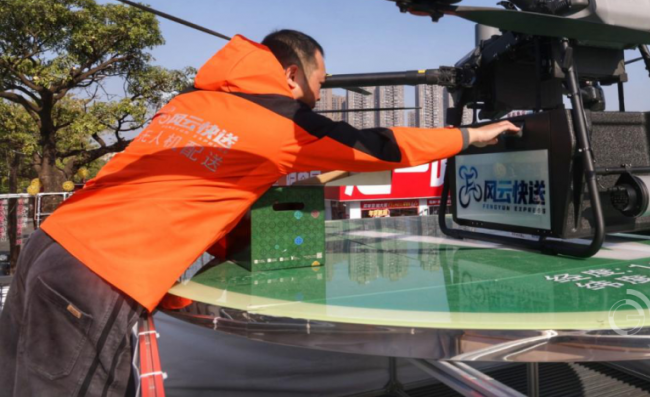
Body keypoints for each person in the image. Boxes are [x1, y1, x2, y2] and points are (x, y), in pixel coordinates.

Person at [0, 30, 518, 396]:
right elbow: (381, 146)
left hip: (49, 243)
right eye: (320, 81)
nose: (321, 94)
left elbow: (190, 195)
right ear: (292, 75)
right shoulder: (286, 122)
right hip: (98, 272)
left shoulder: (189, 103)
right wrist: (471, 136)